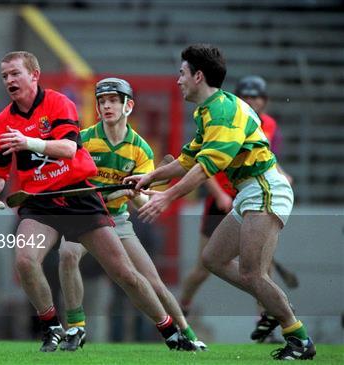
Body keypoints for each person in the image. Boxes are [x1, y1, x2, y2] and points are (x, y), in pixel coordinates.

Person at [0, 51, 198, 352]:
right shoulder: (1, 123)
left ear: (34, 75)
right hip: (40, 202)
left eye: (15, 73)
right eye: (5, 76)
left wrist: (28, 142)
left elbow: (69, 148)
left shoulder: (59, 103)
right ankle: (53, 325)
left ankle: (170, 330)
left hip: (78, 196)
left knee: (126, 274)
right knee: (26, 261)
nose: (9, 80)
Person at [125, 44, 316, 360]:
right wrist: (149, 178)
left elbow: (206, 168)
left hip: (265, 189)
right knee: (212, 259)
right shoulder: (207, 110)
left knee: (252, 273)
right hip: (249, 192)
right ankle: (276, 303)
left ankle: (298, 339)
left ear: (198, 76)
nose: (178, 80)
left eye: (182, 73)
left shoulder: (223, 110)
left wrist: (167, 197)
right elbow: (188, 160)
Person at [58, 78, 205, 351]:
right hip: (85, 217)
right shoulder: (85, 140)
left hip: (118, 221)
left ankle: (188, 334)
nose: (106, 106)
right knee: (67, 254)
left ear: (129, 106)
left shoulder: (141, 149)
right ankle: (76, 328)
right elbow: (73, 187)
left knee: (153, 282)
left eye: (113, 100)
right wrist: (111, 193)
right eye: (102, 101)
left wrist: (142, 196)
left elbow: (139, 201)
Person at [179, 75, 298, 344]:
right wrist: (220, 195)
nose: (251, 101)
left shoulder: (269, 125)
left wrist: (283, 175)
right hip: (221, 201)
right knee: (204, 266)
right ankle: (181, 310)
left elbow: (268, 158)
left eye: (256, 97)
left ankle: (266, 322)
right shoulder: (223, 117)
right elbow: (204, 164)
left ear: (264, 101)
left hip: (256, 197)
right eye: (247, 97)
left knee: (260, 269)